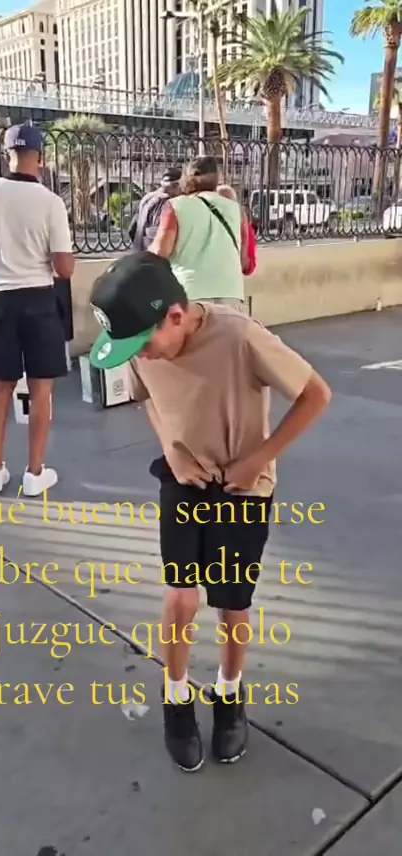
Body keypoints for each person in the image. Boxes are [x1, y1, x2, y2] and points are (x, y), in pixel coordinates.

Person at [88, 251, 331, 773]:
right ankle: (176, 698)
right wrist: (171, 450)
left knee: (231, 604)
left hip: (243, 488)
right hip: (183, 480)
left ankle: (229, 692)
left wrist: (259, 459)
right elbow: (148, 397)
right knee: (181, 599)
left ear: (175, 316)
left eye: (144, 344)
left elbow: (316, 394)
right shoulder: (139, 345)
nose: (141, 356)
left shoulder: (239, 337)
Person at [0, 124, 75, 496]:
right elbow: (64, 268)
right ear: (40, 157)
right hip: (39, 300)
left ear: (7, 154)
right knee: (41, 389)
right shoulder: (50, 202)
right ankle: (35, 474)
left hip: (0, 300)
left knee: (2, 385)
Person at [149, 156, 249, 312]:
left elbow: (160, 252)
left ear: (186, 178)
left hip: (190, 294)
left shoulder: (176, 206)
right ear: (217, 179)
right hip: (231, 294)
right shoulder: (236, 210)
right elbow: (243, 261)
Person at [128, 167, 182, 251]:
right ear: (176, 186)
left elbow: (132, 228)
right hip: (157, 253)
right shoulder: (170, 203)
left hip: (140, 249)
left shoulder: (147, 198)